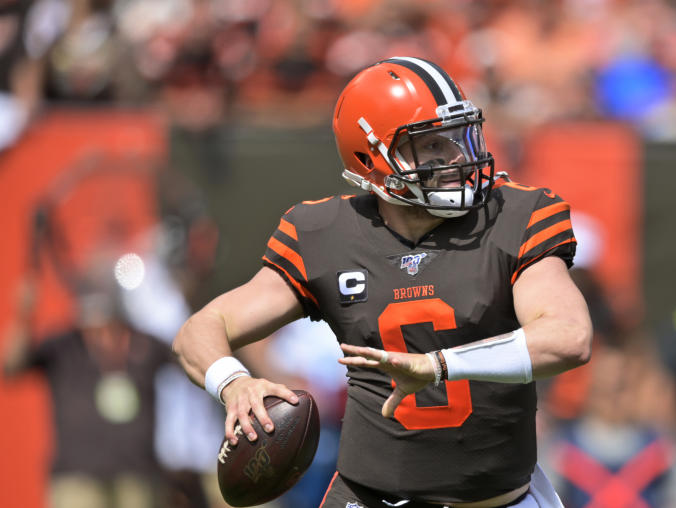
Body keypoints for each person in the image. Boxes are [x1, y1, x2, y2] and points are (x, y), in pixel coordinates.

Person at [172, 57, 592, 508]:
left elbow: (569, 337)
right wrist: (234, 384)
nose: (456, 158)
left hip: (495, 500)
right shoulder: (323, 232)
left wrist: (438, 365)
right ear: (372, 159)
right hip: (368, 497)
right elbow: (200, 328)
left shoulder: (513, 215)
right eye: (431, 147)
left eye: (459, 137)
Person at [3, 265, 172, 508]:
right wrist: (23, 317)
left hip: (139, 477)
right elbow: (11, 366)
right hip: (77, 480)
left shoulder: (145, 343)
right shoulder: (63, 346)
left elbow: (186, 358)